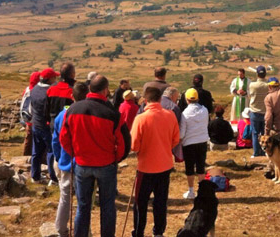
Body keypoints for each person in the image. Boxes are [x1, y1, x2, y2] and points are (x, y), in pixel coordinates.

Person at [59, 75, 131, 237]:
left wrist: (75, 153)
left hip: (82, 164)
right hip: (105, 165)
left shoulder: (73, 109)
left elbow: (64, 137)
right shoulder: (112, 112)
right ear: (105, 90)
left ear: (90, 88)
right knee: (107, 206)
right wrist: (116, 159)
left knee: (83, 206)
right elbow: (124, 143)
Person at [130, 87, 179, 237]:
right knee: (160, 202)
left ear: (145, 101)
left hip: (145, 168)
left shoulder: (141, 118)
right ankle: (158, 232)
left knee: (140, 204)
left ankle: (139, 233)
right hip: (165, 166)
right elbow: (175, 140)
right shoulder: (170, 115)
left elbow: (134, 146)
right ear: (160, 100)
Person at [52, 82, 88, 237]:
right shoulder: (88, 114)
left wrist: (59, 158)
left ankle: (61, 229)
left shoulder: (62, 115)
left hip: (66, 162)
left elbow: (55, 140)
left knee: (65, 197)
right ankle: (85, 231)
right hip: (84, 162)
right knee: (83, 200)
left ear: (71, 96)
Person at [46, 63, 76, 184]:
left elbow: (46, 108)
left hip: (53, 123)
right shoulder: (71, 91)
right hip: (67, 124)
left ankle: (53, 176)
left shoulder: (51, 89)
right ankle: (66, 175)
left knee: (54, 147)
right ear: (72, 74)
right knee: (67, 150)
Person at [179, 88, 210, 199]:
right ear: (197, 98)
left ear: (187, 99)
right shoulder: (205, 110)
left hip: (189, 143)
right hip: (202, 141)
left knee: (190, 168)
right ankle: (201, 191)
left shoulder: (184, 114)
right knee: (201, 167)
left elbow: (182, 133)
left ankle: (191, 191)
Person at [30, 68, 58, 183]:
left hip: (36, 124)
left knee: (36, 151)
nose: (56, 79)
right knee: (51, 151)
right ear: (50, 79)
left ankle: (35, 176)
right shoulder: (51, 91)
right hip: (46, 126)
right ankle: (53, 177)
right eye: (54, 77)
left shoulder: (34, 89)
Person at [248, 65, 269, 157]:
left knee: (255, 133)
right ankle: (265, 151)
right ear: (265, 74)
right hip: (265, 111)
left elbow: (250, 96)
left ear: (257, 74)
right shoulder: (268, 85)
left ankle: (256, 152)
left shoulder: (252, 85)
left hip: (255, 111)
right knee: (265, 133)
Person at [20, 71, 40, 156]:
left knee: (28, 139)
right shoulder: (37, 91)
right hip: (36, 119)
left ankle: (26, 156)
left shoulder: (27, 89)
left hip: (27, 118)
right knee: (37, 140)